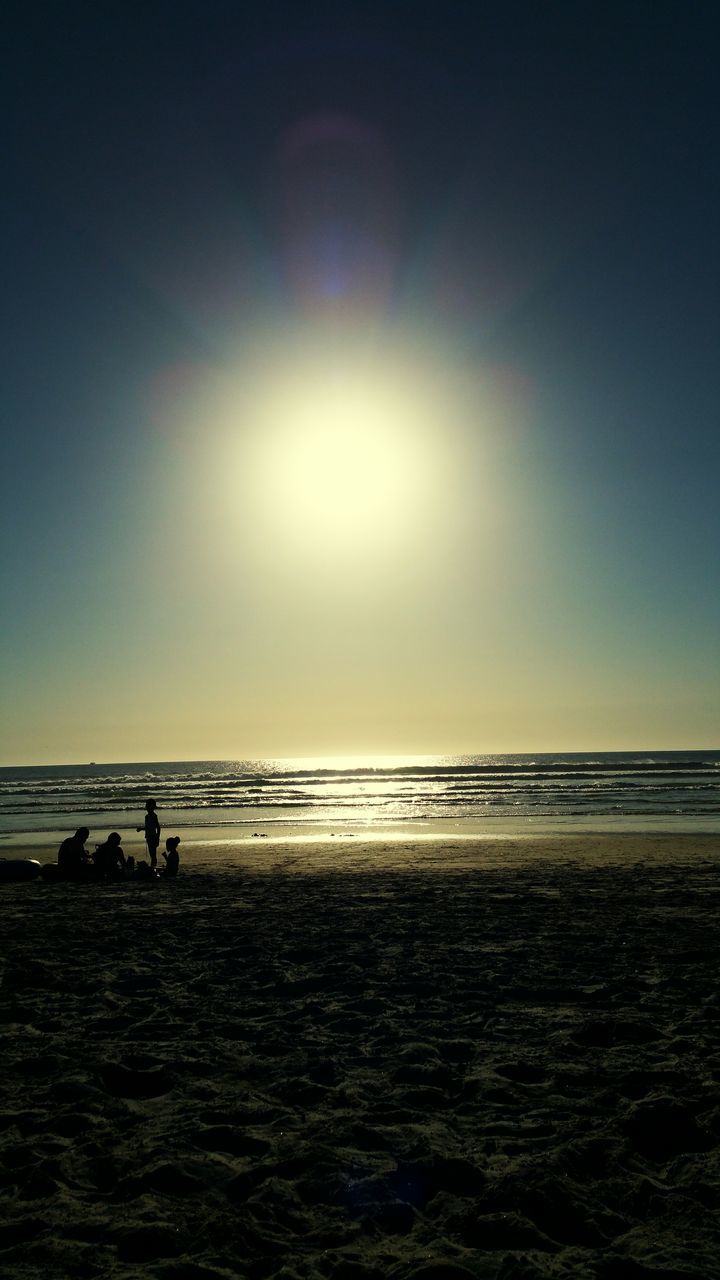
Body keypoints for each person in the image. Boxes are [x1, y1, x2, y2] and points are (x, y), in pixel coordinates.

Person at [137, 798, 161, 871]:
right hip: (149, 837)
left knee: (153, 854)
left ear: (152, 807)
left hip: (153, 837)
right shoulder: (147, 816)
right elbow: (148, 828)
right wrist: (141, 829)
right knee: (152, 854)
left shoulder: (154, 816)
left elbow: (158, 827)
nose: (146, 807)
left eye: (148, 805)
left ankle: (153, 868)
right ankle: (153, 867)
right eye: (146, 805)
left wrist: (157, 837)